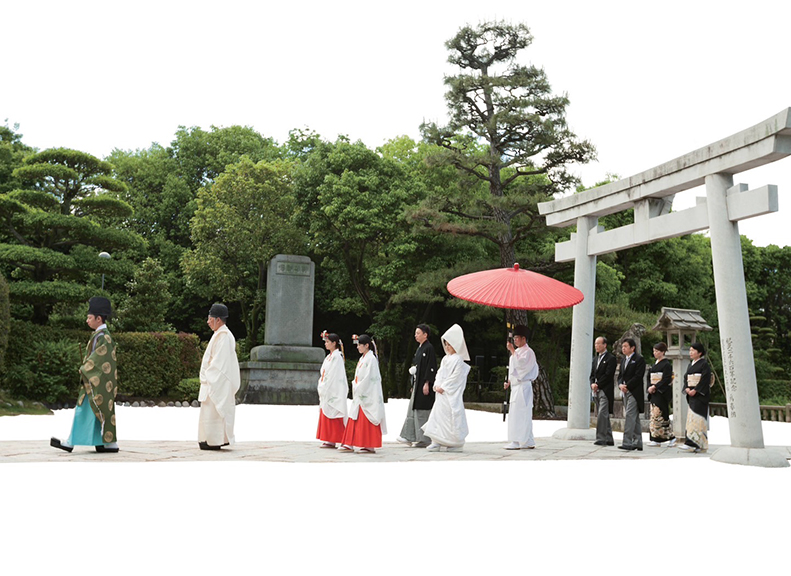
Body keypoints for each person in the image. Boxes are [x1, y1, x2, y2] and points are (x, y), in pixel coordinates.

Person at [51, 296, 120, 454]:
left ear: (98, 318)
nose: (87, 320)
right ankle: (107, 443)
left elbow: (99, 360)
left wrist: (85, 368)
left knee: (83, 410)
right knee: (99, 411)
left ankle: (71, 442)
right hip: (96, 382)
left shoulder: (103, 337)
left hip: (94, 382)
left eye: (89, 317)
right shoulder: (101, 335)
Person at [197, 303, 240, 450]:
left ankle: (215, 440)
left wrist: (209, 376)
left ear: (218, 320)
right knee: (209, 412)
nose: (208, 322)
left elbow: (220, 365)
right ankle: (208, 439)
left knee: (215, 412)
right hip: (210, 381)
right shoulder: (219, 335)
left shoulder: (224, 337)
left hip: (216, 381)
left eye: (210, 319)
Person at [422, 324, 471, 452]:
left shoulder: (459, 360)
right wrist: (437, 384)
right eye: (446, 344)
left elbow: (456, 377)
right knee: (438, 416)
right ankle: (436, 441)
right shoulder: (445, 359)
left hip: (450, 394)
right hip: (441, 393)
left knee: (451, 417)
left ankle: (454, 443)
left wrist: (444, 387)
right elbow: (440, 373)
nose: (447, 347)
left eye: (450, 344)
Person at [340, 334, 387, 453]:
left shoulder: (371, 359)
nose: (358, 347)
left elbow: (370, 378)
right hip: (360, 390)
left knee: (365, 416)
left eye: (360, 345)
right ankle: (351, 442)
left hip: (367, 392)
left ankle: (368, 444)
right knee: (355, 415)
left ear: (366, 345)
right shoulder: (363, 358)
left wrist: (358, 386)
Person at [397, 324, 437, 448]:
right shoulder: (419, 349)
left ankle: (425, 439)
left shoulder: (429, 348)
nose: (416, 335)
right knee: (413, 409)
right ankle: (410, 436)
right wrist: (413, 384)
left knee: (422, 410)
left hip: (424, 384)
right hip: (417, 383)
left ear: (425, 335)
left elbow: (431, 367)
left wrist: (427, 383)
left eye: (418, 333)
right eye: (415, 333)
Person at [503, 324, 538, 450]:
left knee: (520, 413)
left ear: (524, 339)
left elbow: (522, 366)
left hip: (523, 387)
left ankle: (516, 441)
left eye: (517, 338)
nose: (515, 340)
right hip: (516, 386)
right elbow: (514, 370)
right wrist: (509, 381)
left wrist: (512, 351)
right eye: (514, 338)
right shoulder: (517, 352)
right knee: (519, 413)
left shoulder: (529, 352)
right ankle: (528, 440)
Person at [316, 331, 349, 448]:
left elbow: (335, 375)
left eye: (328, 342)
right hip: (326, 386)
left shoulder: (337, 357)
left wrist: (326, 385)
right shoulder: (329, 357)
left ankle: (341, 438)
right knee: (327, 411)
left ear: (334, 343)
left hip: (333, 388)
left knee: (335, 412)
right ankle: (329, 439)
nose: (326, 344)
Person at [679, 342, 712, 453]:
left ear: (700, 353)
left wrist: (696, 390)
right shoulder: (690, 365)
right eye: (690, 350)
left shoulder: (704, 364)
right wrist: (687, 388)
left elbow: (705, 380)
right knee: (691, 419)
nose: (690, 352)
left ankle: (695, 444)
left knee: (698, 420)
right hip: (691, 394)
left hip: (699, 395)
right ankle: (694, 443)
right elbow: (686, 378)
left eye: (693, 350)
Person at [617, 338, 646, 451]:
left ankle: (627, 442)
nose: (623, 348)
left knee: (629, 415)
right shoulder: (624, 360)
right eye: (622, 346)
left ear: (632, 348)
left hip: (634, 392)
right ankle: (637, 442)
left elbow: (638, 376)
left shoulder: (639, 359)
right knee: (634, 417)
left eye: (625, 346)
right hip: (624, 391)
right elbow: (620, 375)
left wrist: (627, 385)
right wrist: (620, 385)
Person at [647, 342, 676, 447]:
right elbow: (649, 377)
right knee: (654, 415)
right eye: (654, 351)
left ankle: (671, 437)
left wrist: (655, 387)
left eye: (657, 351)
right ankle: (655, 438)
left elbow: (666, 379)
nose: (655, 353)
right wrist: (650, 387)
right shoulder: (654, 364)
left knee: (661, 415)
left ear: (663, 352)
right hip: (654, 391)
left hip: (661, 392)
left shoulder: (666, 364)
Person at [590, 336, 617, 446]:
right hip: (596, 390)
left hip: (605, 389)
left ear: (605, 345)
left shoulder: (611, 358)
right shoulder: (595, 359)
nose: (596, 346)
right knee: (603, 414)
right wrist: (592, 383)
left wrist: (598, 384)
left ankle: (601, 437)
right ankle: (609, 438)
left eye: (598, 344)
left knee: (602, 414)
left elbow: (608, 375)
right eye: (595, 344)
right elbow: (592, 374)